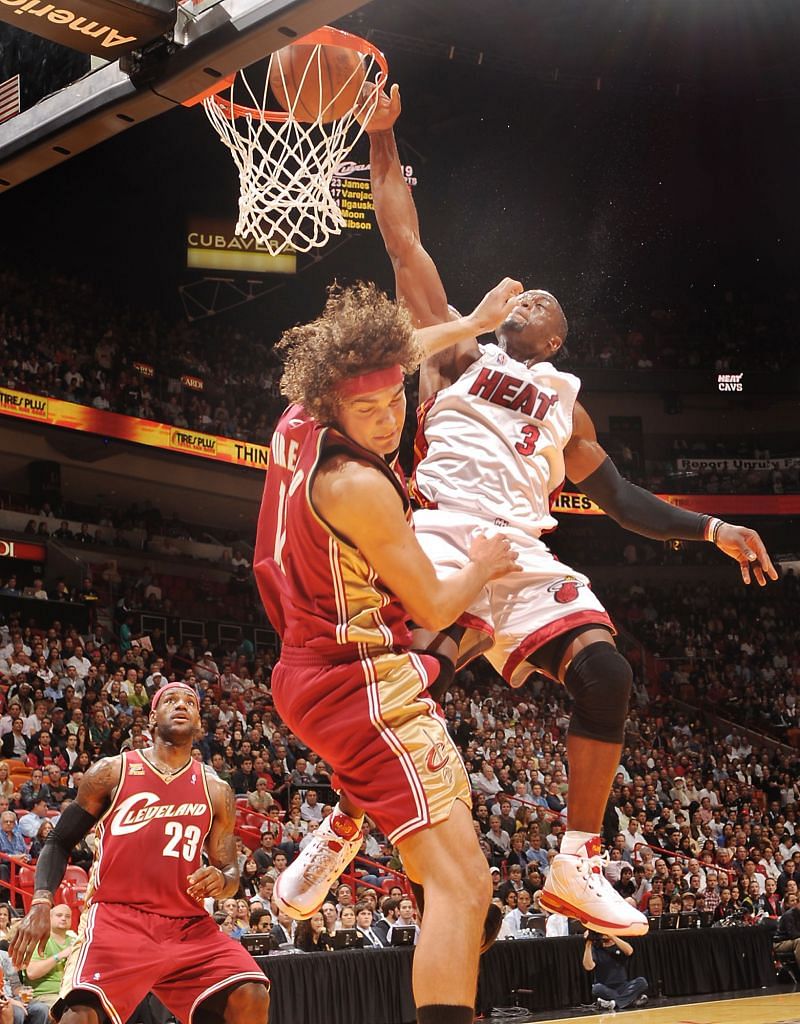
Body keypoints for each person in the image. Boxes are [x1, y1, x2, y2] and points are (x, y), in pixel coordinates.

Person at [361, 82, 778, 937]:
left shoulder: (565, 404)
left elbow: (620, 500)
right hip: (442, 530)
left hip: (521, 551)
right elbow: (404, 244)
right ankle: (341, 825)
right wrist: (384, 142)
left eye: (547, 305)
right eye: (525, 295)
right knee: (409, 679)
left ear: (557, 343)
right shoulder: (455, 353)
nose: (530, 298)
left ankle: (576, 862)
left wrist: (712, 528)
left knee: (608, 673)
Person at [253, 281, 521, 1024]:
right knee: (466, 887)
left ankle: (351, 818)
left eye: (393, 403)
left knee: (447, 858)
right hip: (358, 684)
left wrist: (471, 323)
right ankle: (348, 818)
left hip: (311, 670)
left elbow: (402, 352)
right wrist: (487, 559)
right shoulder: (357, 486)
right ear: (336, 408)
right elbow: (436, 603)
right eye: (366, 411)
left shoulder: (298, 416)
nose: (384, 420)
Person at [9, 682, 269, 1024]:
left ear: (199, 723)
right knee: (79, 1016)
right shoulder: (111, 771)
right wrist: (42, 901)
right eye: (171, 700)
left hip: (187, 926)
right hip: (118, 920)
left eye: (190, 702)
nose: (181, 705)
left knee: (249, 994)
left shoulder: (216, 790)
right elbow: (58, 840)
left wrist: (221, 879)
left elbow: (232, 875)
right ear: (151, 718)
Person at [23, 903, 76, 1024]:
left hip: (70, 993)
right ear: (49, 918)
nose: (64, 918)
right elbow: (31, 972)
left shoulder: (74, 941)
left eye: (68, 916)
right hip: (45, 995)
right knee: (70, 1011)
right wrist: (60, 955)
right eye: (59, 915)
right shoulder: (40, 940)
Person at [582, 931, 648, 1012]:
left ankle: (613, 1003)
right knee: (596, 988)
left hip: (623, 986)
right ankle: (630, 1001)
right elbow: (588, 967)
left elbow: (629, 951)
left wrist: (612, 936)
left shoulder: (619, 945)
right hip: (605, 987)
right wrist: (588, 944)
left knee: (642, 982)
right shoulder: (596, 948)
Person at [773, 902, 800, 970]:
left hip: (791, 941)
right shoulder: (789, 915)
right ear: (798, 903)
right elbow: (793, 935)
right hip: (780, 943)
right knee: (799, 942)